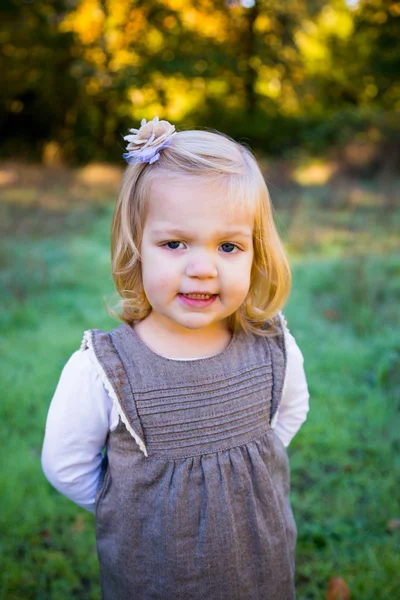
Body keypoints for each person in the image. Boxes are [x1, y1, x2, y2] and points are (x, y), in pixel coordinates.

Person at [42, 116, 310, 599]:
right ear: (137, 249)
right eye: (174, 244)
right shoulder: (105, 369)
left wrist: (243, 481)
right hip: (155, 579)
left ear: (256, 254)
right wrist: (132, 507)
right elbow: (66, 464)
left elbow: (286, 414)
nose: (203, 268)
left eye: (228, 246)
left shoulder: (272, 345)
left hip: (259, 569)